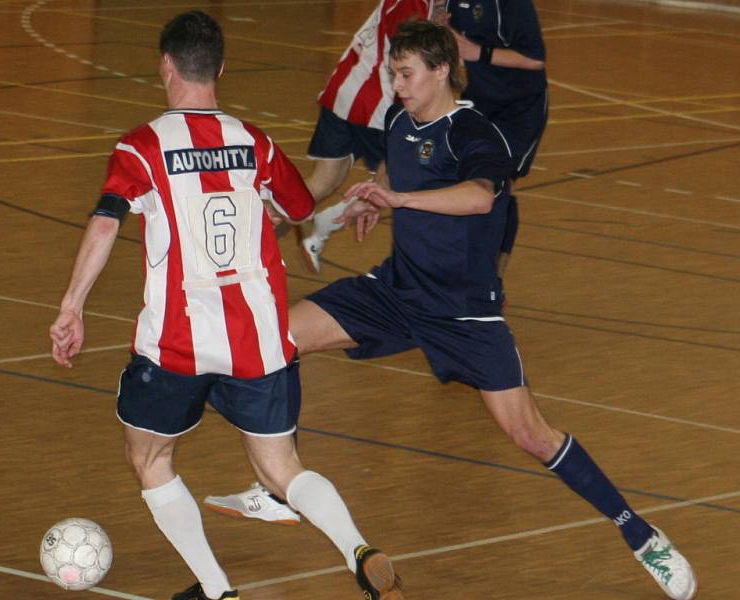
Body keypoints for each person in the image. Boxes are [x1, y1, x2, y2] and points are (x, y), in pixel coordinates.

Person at [204, 20, 697, 600]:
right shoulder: (397, 120)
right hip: (397, 291)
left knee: (531, 435)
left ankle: (641, 537)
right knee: (274, 337)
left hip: (465, 314)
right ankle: (282, 481)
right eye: (392, 73)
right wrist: (374, 197)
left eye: (406, 74)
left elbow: (480, 196)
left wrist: (401, 199)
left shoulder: (475, 133)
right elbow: (394, 165)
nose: (397, 85)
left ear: (441, 71)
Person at [48, 11, 402, 600]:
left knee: (152, 458)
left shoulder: (142, 147)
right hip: (259, 340)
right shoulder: (253, 141)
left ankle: (217, 590)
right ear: (221, 69)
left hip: (178, 343)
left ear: (167, 66)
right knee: (281, 469)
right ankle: (359, 549)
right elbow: (295, 209)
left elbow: (106, 223)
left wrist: (71, 306)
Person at [295, 0, 434, 273]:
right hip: (376, 104)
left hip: (345, 90)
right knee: (394, 182)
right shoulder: (412, 4)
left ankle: (250, 234)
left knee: (321, 183)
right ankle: (322, 226)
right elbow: (408, 60)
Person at [438, 0, 549, 281]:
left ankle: (492, 280)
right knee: (462, 178)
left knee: (495, 184)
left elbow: (535, 58)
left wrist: (477, 52)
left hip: (519, 109)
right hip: (479, 99)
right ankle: (458, 267)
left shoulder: (513, 5)